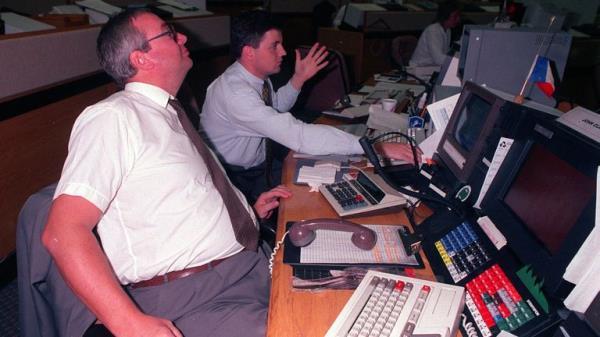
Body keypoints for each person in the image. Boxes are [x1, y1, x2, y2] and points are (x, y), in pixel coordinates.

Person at [41, 8, 291, 337]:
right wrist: (127, 322)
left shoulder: (172, 112)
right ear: (140, 58)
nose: (183, 36)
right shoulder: (113, 117)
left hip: (248, 265)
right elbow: (63, 232)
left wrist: (247, 214)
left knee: (353, 289)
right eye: (169, 33)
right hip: (197, 298)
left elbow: (180, 196)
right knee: (309, 325)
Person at [200, 10, 414, 202]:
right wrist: (374, 148)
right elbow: (298, 135)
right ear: (249, 52)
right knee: (318, 197)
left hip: (260, 164)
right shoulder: (236, 94)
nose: (283, 52)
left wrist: (298, 79)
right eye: (275, 45)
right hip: (236, 178)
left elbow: (275, 108)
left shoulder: (254, 77)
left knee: (334, 172)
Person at [409, 0, 461, 67]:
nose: (458, 19)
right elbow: (439, 59)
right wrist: (460, 62)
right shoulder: (433, 30)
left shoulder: (447, 30)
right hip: (418, 69)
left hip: (430, 68)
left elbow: (445, 53)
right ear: (445, 16)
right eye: (455, 16)